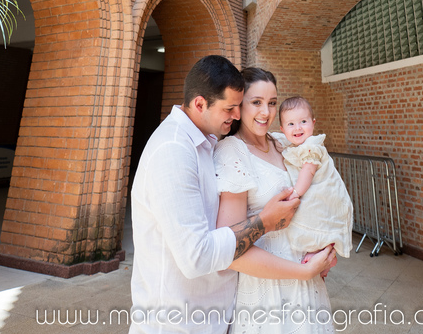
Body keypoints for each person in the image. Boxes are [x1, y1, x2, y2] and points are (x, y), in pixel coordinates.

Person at [129, 56, 327, 334]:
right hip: (177, 320)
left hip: (216, 313)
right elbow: (196, 255)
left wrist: (324, 246)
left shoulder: (208, 140)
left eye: (271, 102)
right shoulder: (172, 151)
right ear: (200, 104)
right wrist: (265, 222)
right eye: (232, 107)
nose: (236, 115)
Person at [215, 69, 338, 334]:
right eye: (256, 102)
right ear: (239, 105)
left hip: (309, 277)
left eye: (272, 103)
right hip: (268, 288)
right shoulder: (232, 152)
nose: (266, 112)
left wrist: (327, 245)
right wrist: (301, 272)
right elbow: (229, 250)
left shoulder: (284, 142)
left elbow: (321, 193)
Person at [272, 96, 353, 259]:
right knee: (312, 218)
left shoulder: (311, 146)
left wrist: (296, 192)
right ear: (282, 128)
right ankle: (320, 252)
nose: (297, 128)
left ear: (313, 122)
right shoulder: (295, 146)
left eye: (303, 121)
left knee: (314, 216)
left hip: (323, 193)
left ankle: (319, 252)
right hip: (316, 195)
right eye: (291, 124)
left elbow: (308, 171)